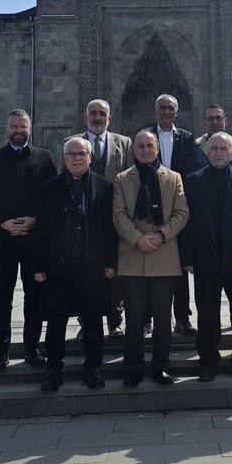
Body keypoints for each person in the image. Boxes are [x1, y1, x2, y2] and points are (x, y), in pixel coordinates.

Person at [33, 137, 118, 393]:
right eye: (72, 154)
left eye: (82, 153)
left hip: (92, 268)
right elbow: (41, 231)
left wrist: (111, 262)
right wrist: (38, 265)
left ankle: (93, 369)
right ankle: (54, 371)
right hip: (60, 267)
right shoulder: (50, 188)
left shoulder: (104, 187)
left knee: (93, 321)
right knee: (56, 322)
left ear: (90, 157)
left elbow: (111, 229)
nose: (77, 158)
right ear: (64, 158)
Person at [180, 132, 232, 381]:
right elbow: (185, 222)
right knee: (207, 317)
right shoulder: (192, 182)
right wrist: (189, 257)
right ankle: (208, 363)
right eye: (213, 148)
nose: (217, 153)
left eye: (223, 149)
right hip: (206, 262)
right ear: (206, 151)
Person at [0, 109, 57, 370]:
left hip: (34, 241)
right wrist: (4, 222)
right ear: (7, 129)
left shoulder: (44, 158)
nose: (18, 131)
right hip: (3, 241)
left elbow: (51, 195)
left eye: (22, 126)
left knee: (34, 297)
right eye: (14, 126)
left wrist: (35, 220)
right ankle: (0, 351)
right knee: (3, 297)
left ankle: (32, 349)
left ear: (30, 128)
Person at [113, 129, 189, 387]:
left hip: (163, 256)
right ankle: (133, 368)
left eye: (150, 145)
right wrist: (137, 239)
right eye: (141, 146)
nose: (146, 150)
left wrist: (161, 235)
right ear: (134, 150)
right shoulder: (123, 179)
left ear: (158, 148)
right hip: (133, 257)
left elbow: (181, 213)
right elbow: (118, 215)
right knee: (134, 318)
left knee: (162, 317)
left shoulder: (173, 178)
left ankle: (160, 367)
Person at [76, 98, 132, 339]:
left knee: (115, 274)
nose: (97, 118)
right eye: (93, 113)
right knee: (84, 274)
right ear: (85, 117)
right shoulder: (73, 144)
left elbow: (131, 180)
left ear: (110, 118)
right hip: (84, 221)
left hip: (114, 220)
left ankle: (114, 321)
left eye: (102, 114)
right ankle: (86, 323)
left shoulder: (124, 143)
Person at [149, 93, 203, 334]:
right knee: (150, 266)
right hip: (151, 209)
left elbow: (191, 169)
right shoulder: (146, 136)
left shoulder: (186, 138)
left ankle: (182, 318)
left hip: (178, 206)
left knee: (180, 266)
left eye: (171, 108)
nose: (167, 112)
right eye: (163, 108)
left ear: (177, 112)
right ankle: (147, 318)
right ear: (156, 111)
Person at [194, 104, 232, 169]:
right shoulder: (195, 149)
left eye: (219, 118)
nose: (215, 122)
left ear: (225, 121)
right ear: (205, 123)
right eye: (210, 118)